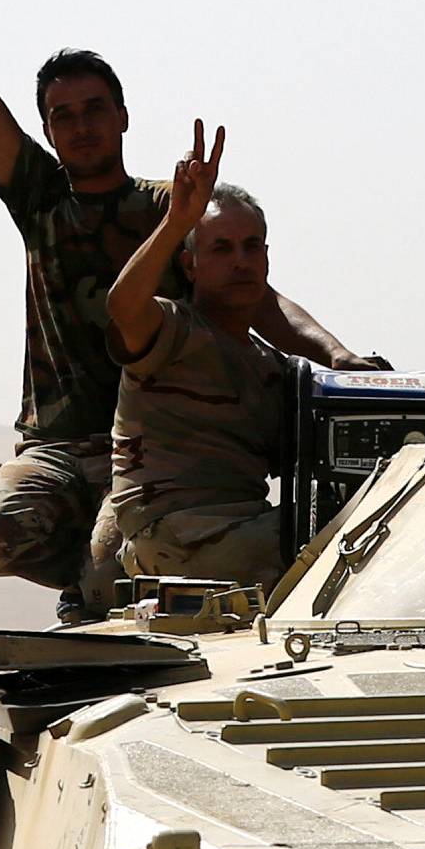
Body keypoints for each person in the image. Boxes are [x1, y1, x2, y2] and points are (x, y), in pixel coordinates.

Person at [0, 0, 381, 602]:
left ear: (123, 116)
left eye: (95, 109)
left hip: (151, 452)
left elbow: (253, 292)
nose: (81, 125)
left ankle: (99, 586)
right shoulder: (39, 196)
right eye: (63, 114)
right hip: (55, 443)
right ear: (46, 129)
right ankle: (88, 577)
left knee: (116, 592)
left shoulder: (175, 209)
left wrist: (335, 355)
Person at [101, 125, 293, 592]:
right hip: (176, 535)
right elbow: (123, 306)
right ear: (190, 265)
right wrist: (175, 224)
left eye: (251, 248)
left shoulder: (271, 366)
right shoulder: (173, 330)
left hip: (244, 531)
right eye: (221, 249)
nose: (240, 262)